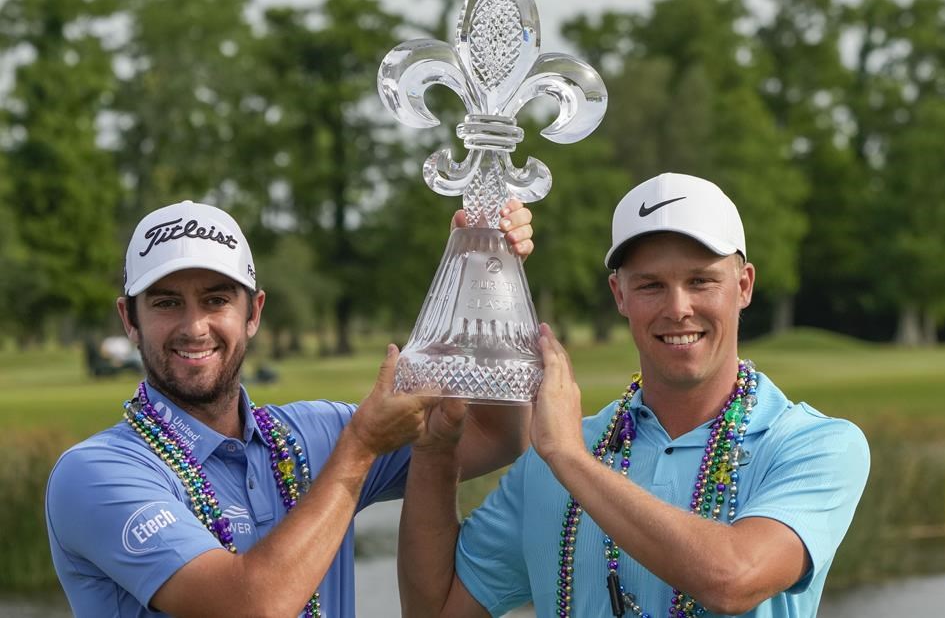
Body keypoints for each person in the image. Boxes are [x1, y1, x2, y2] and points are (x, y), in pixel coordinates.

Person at [398, 173, 871, 618]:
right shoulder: (552, 457)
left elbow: (735, 578)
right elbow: (435, 610)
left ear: (743, 285)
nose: (678, 308)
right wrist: (436, 451)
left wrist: (571, 459)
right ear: (619, 295)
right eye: (651, 285)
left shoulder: (815, 444)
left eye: (701, 280)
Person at [45, 197, 535, 617]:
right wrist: (361, 449)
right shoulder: (95, 473)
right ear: (128, 319)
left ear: (253, 312)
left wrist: (486, 271)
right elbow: (251, 606)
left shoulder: (315, 435)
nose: (194, 327)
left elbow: (497, 434)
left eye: (216, 300)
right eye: (166, 303)